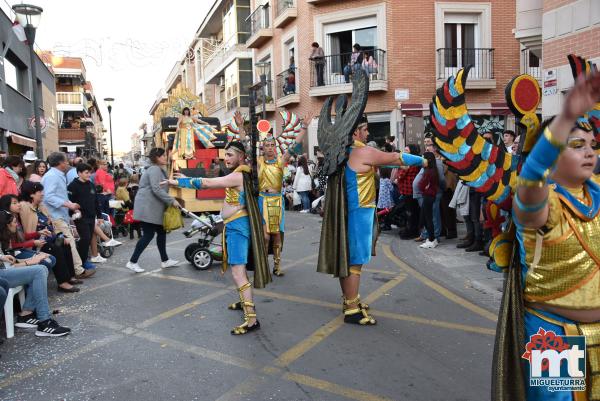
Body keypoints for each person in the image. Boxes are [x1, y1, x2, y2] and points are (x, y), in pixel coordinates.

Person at [493, 65, 600, 400]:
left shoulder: (596, 191)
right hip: (554, 336)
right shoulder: (541, 204)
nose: (589, 152)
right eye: (576, 144)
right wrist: (566, 115)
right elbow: (530, 177)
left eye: (592, 144)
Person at [318, 111, 427, 326]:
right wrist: (424, 160)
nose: (368, 133)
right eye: (366, 129)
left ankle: (350, 299)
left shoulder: (342, 152)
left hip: (351, 211)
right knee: (355, 262)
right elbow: (397, 158)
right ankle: (351, 309)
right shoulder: (363, 152)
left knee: (347, 259)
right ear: (356, 131)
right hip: (360, 212)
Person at [165, 141, 270, 335]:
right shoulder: (243, 173)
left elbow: (207, 183)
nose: (226, 159)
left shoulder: (238, 175)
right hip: (235, 225)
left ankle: (251, 319)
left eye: (230, 155)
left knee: (238, 273)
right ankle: (243, 302)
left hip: (238, 228)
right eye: (225, 155)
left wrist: (179, 182)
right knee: (240, 271)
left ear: (241, 156)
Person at [234, 110, 306, 276]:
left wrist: (304, 127)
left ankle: (277, 266)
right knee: (265, 237)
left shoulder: (281, 161)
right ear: (263, 148)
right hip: (262, 200)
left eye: (273, 145)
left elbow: (294, 145)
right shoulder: (258, 162)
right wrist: (240, 126)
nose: (271, 148)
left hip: (277, 201)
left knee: (277, 236)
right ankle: (263, 265)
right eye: (267, 145)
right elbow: (245, 145)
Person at [0, 217, 71, 337]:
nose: (17, 225)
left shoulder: (4, 239)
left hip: (5, 272)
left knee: (42, 267)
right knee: (39, 270)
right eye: (14, 222)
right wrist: (31, 261)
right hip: (3, 276)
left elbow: (9, 264)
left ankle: (27, 314)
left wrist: (32, 259)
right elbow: (8, 268)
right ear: (6, 225)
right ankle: (44, 321)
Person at [126, 148, 180, 273]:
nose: (165, 157)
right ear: (156, 157)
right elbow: (156, 189)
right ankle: (132, 262)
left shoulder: (157, 169)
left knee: (161, 233)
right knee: (148, 235)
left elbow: (161, 184)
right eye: (163, 156)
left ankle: (165, 260)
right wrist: (171, 200)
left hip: (152, 207)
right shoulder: (155, 169)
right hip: (148, 208)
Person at [41, 152, 91, 278]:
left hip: (59, 215)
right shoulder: (52, 176)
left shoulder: (56, 175)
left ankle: (70, 272)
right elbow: (49, 197)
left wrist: (71, 205)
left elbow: (60, 196)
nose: (67, 163)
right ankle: (78, 270)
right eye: (65, 161)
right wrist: (69, 205)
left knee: (66, 244)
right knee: (69, 242)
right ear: (60, 163)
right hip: (55, 215)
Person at [68, 163, 103, 273]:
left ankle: (83, 260)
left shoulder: (91, 184)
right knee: (85, 238)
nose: (89, 175)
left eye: (90, 172)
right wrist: (73, 212)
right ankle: (82, 262)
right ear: (79, 173)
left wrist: (100, 216)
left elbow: (96, 201)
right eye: (86, 173)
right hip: (80, 217)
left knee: (87, 240)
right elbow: (69, 202)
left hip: (91, 217)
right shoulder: (72, 186)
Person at [418, 152, 440, 249]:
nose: (422, 161)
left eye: (423, 159)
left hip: (428, 196)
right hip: (428, 196)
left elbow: (421, 185)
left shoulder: (429, 172)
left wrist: (423, 187)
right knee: (425, 218)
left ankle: (431, 239)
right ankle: (431, 238)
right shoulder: (430, 170)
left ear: (429, 160)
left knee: (428, 219)